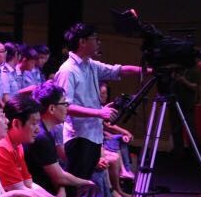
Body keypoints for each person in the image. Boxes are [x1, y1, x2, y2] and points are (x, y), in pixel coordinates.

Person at [27, 81, 158, 197]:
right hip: (40, 194)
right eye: (64, 103)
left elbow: (59, 173)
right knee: (89, 195)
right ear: (52, 108)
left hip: (50, 189)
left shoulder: (49, 131)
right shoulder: (40, 136)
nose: (68, 108)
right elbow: (58, 177)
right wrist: (83, 183)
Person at [54, 23, 149, 180]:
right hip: (79, 137)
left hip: (93, 134)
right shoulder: (68, 70)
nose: (98, 42)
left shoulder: (91, 64)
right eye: (95, 39)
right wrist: (99, 112)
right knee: (76, 182)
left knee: (86, 183)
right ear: (82, 42)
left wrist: (149, 71)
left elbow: (119, 70)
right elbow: (65, 106)